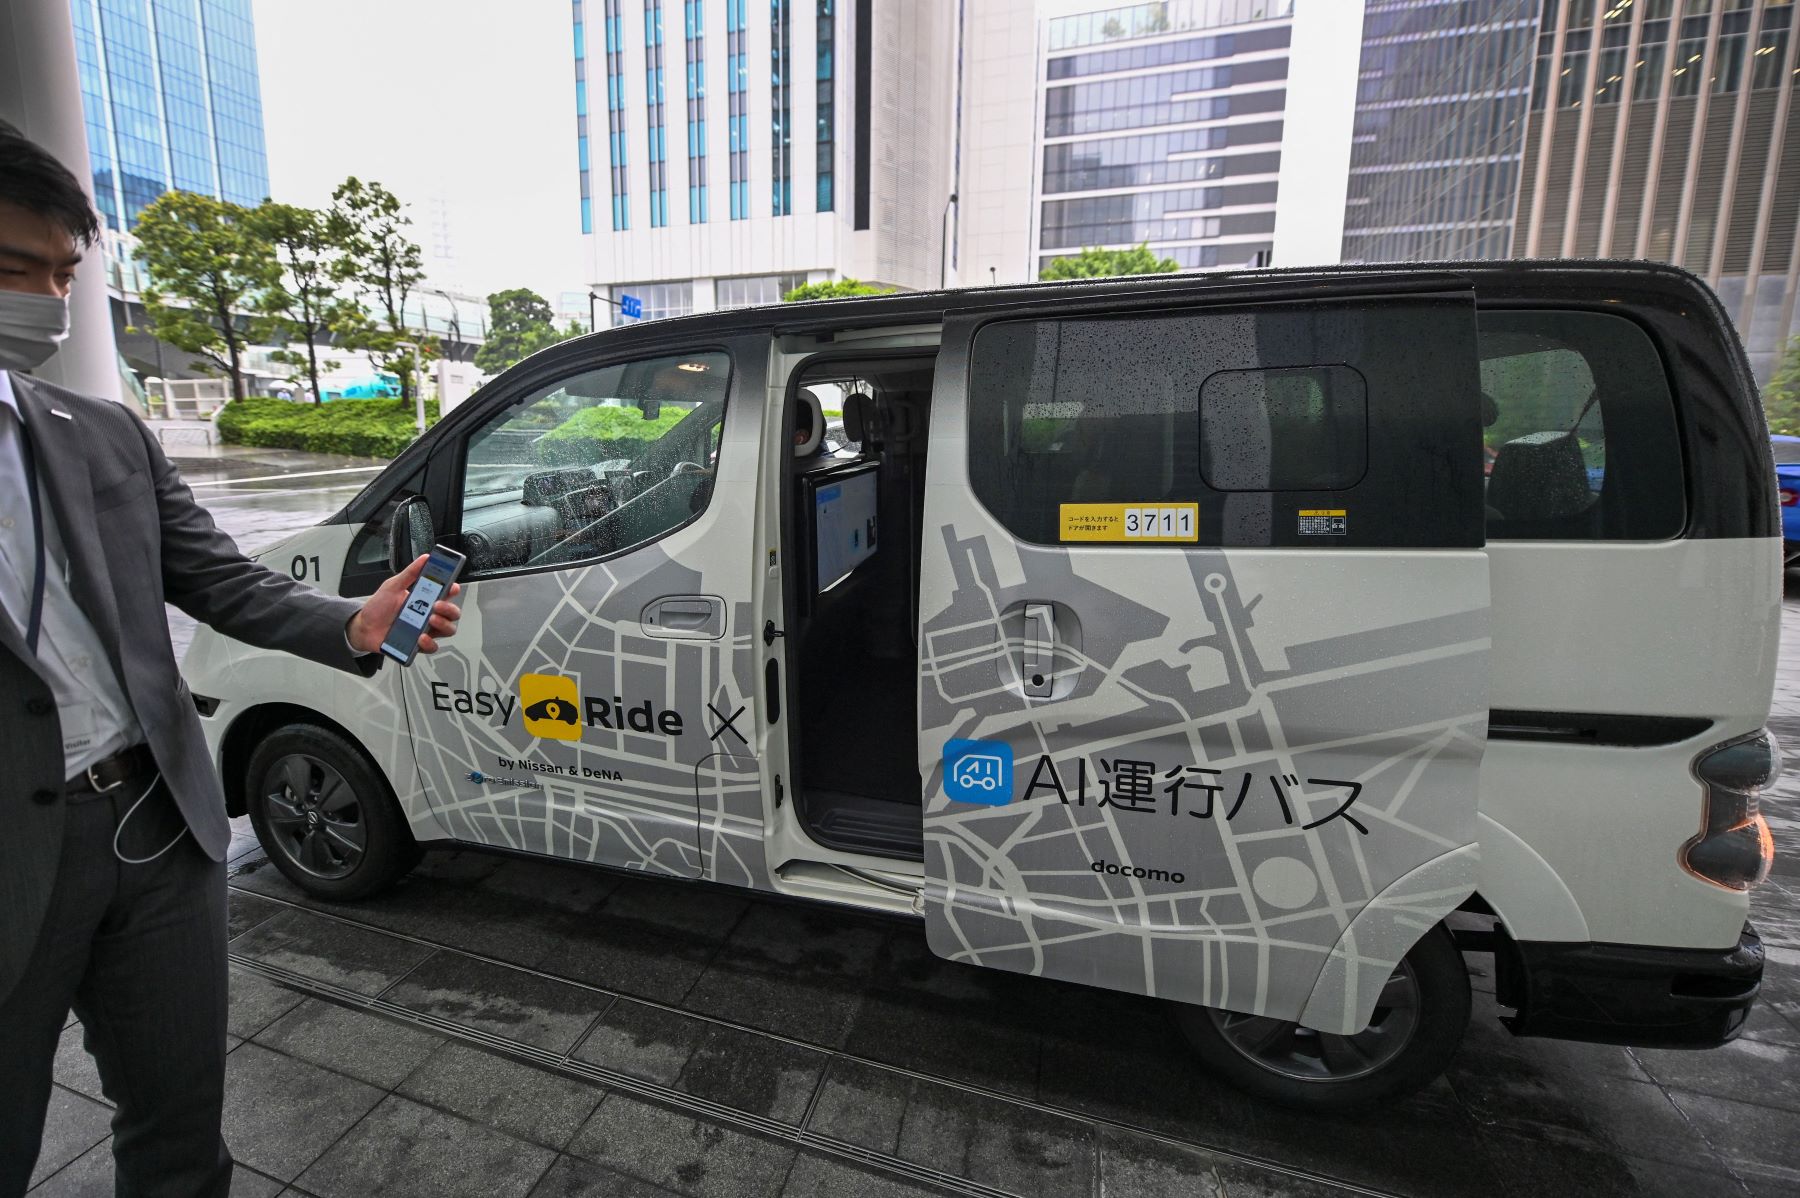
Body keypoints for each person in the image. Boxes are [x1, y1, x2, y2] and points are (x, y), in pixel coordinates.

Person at [0, 125, 462, 1197]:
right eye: (17, 267)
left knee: (181, 1134)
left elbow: (223, 580)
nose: (48, 300)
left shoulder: (104, 432)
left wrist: (354, 625)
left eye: (64, 274)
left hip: (156, 822)